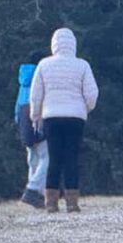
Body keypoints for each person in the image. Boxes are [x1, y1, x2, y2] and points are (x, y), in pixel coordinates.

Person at [29, 27, 99, 213]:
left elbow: (35, 94)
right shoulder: (82, 65)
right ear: (73, 44)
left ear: (54, 44)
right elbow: (92, 93)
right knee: (72, 158)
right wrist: (85, 108)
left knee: (54, 158)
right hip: (75, 117)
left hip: (51, 116)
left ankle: (51, 202)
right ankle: (72, 202)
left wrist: (35, 115)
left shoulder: (44, 64)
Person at [14, 57, 48, 208]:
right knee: (47, 157)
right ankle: (33, 190)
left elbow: (17, 107)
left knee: (32, 158)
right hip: (37, 116)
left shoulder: (23, 81)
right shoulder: (40, 76)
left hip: (23, 118)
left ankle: (36, 194)